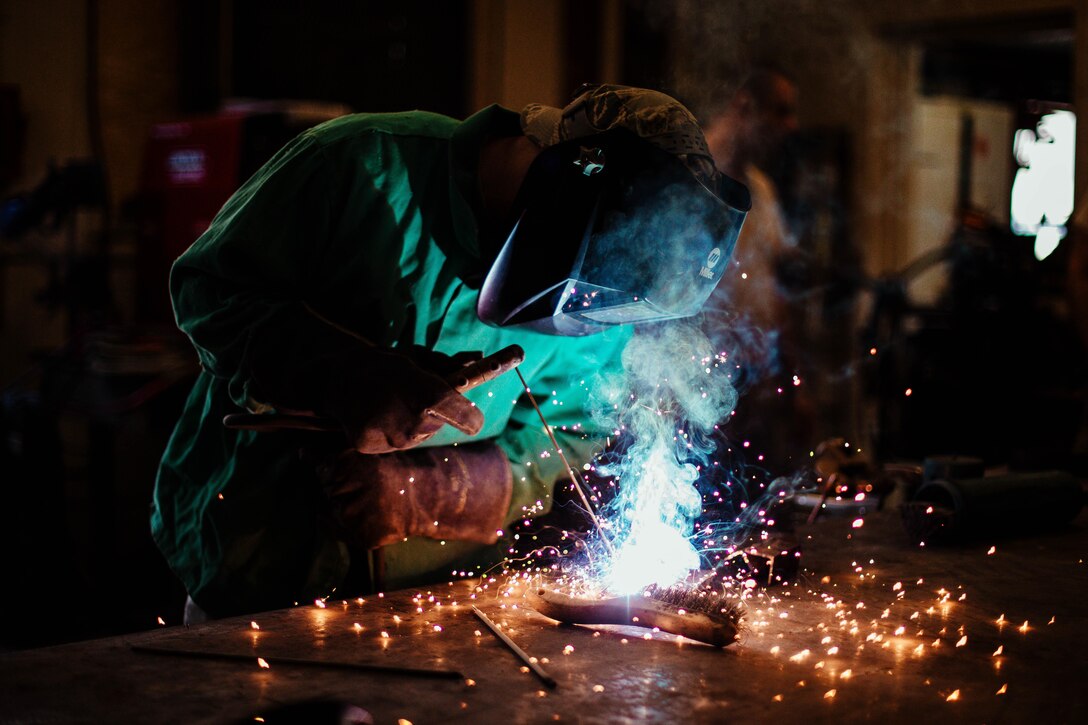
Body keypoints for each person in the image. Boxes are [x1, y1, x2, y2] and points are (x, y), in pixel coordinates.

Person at [151, 84, 750, 621]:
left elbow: (570, 428)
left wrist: (433, 493)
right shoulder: (358, 164)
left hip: (442, 603)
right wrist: (339, 373)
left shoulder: (604, 288)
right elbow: (208, 291)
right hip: (256, 572)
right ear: (562, 182)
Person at [699, 67, 813, 468]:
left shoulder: (761, 191)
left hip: (755, 388)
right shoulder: (692, 181)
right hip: (695, 390)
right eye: (780, 112)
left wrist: (795, 384)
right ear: (744, 107)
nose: (790, 125)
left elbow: (776, 293)